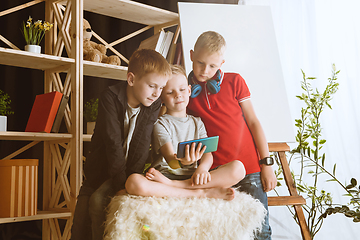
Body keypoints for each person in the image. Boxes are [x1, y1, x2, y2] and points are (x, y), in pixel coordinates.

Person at [71, 49, 172, 240]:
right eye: (152, 86)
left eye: (161, 88)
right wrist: (120, 183)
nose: (157, 94)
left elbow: (142, 145)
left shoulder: (153, 105)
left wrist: (128, 182)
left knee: (97, 202)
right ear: (131, 79)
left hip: (128, 173)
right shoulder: (109, 98)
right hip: (100, 171)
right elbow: (112, 142)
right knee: (79, 224)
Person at [186, 31, 277, 240]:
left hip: (251, 170)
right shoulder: (186, 91)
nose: (205, 71)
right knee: (221, 230)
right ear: (191, 55)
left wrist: (267, 164)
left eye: (212, 66)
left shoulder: (235, 81)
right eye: (200, 63)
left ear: (222, 63)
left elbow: (253, 122)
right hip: (216, 172)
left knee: (261, 231)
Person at [125, 65, 245, 200]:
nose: (178, 95)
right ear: (162, 98)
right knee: (133, 181)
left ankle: (176, 186)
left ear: (189, 90)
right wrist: (184, 162)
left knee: (238, 168)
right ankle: (199, 193)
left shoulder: (197, 122)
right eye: (170, 92)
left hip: (192, 178)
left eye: (182, 89)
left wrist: (203, 169)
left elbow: (207, 155)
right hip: (164, 176)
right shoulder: (160, 124)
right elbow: (171, 161)